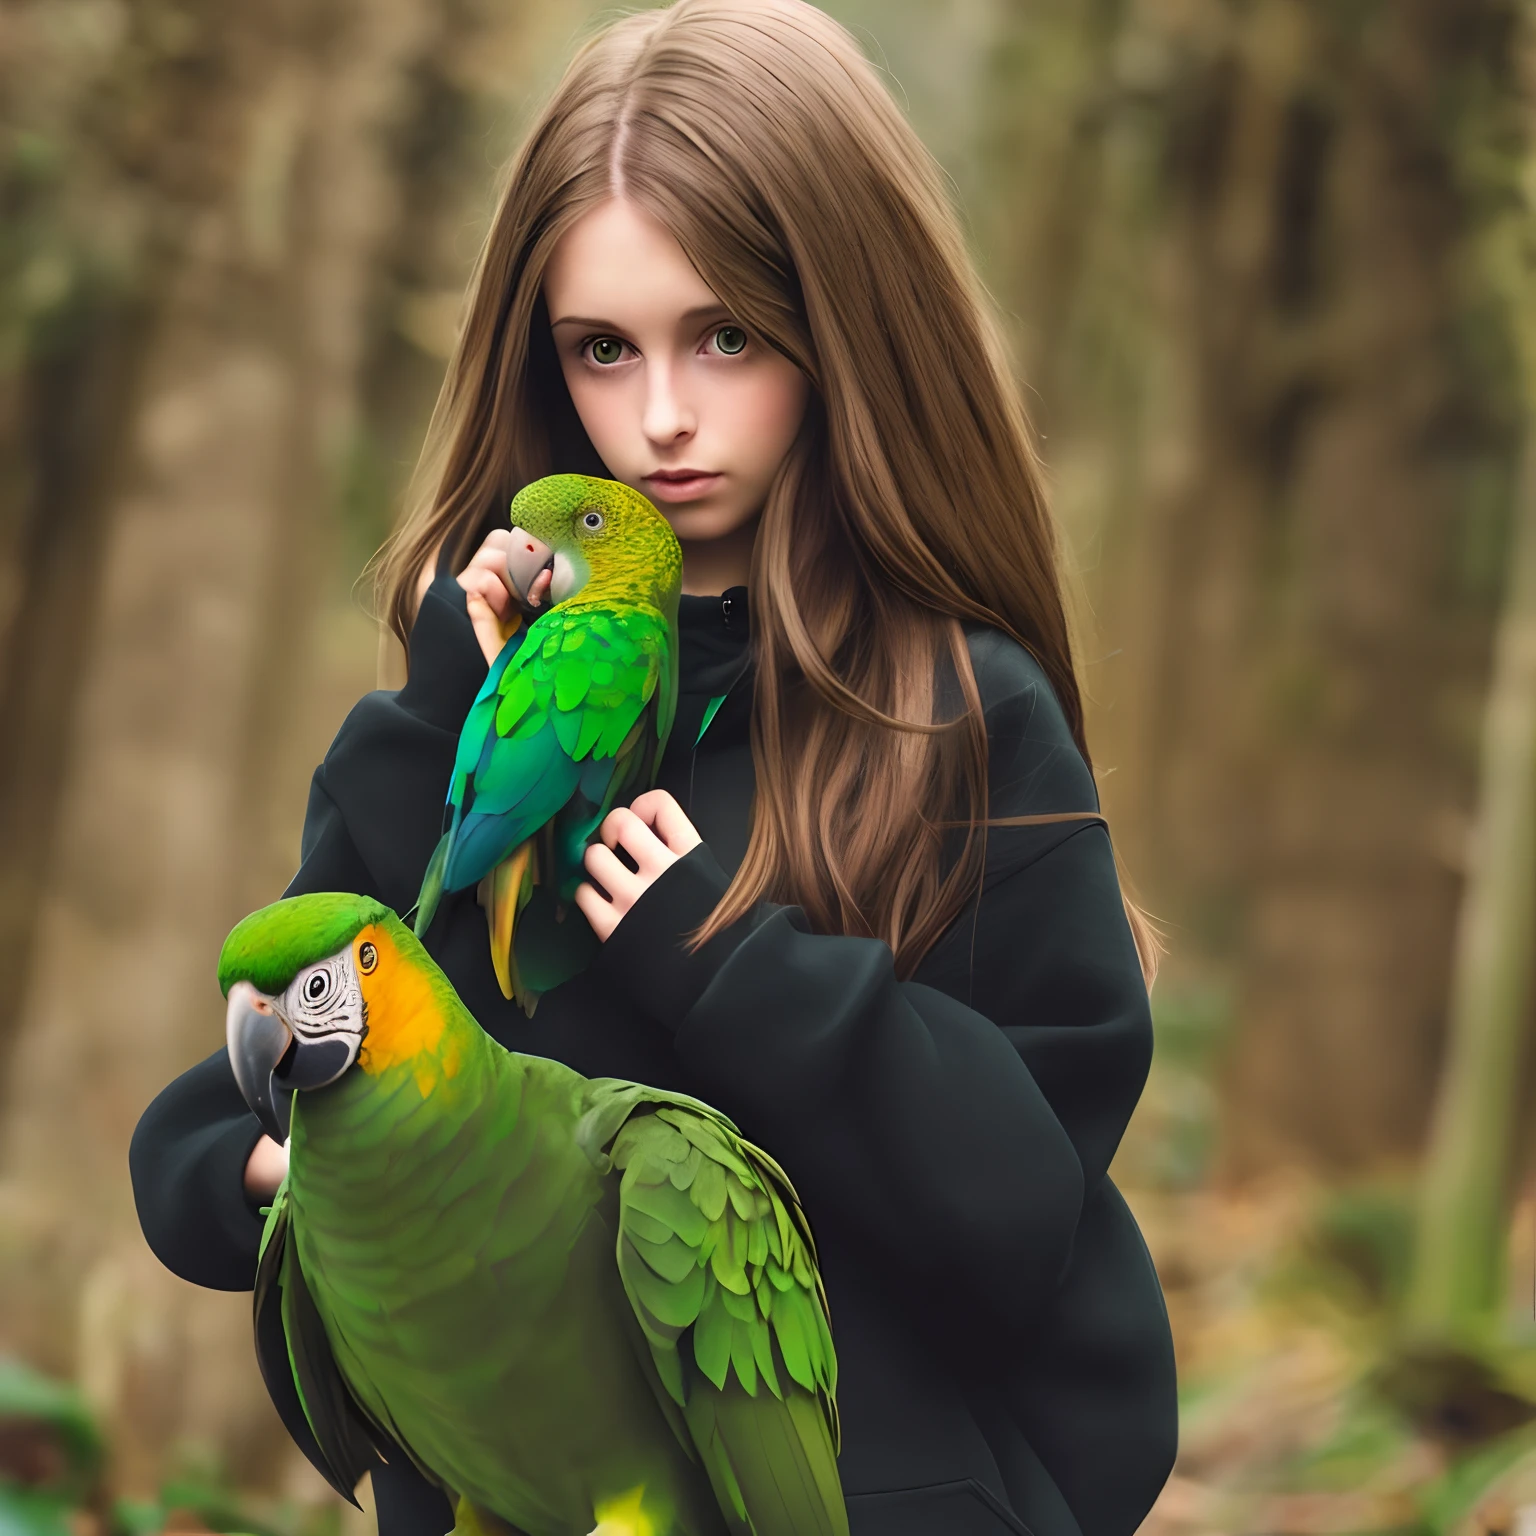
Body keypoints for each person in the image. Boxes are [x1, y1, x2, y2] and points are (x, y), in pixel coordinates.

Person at [129, 2, 1177, 1532]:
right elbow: (214, 1133)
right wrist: (465, 731)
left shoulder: (961, 714)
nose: (664, 417)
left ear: (847, 332)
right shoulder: (473, 693)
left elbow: (1028, 1211)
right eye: (603, 350)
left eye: (728, 336)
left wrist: (732, 962)